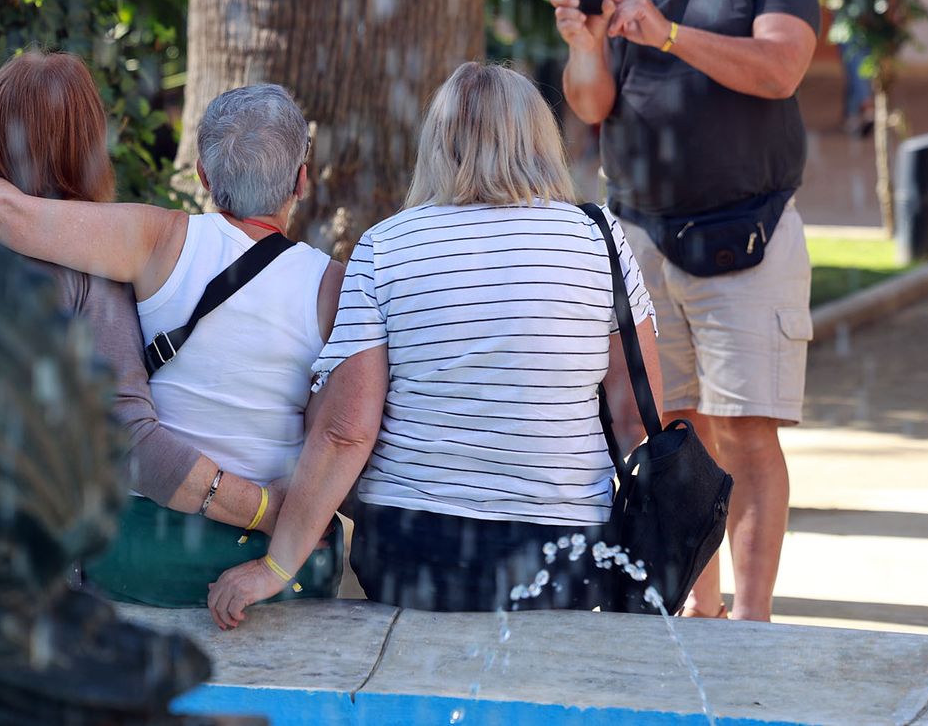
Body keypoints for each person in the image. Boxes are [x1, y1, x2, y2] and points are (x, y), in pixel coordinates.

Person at [205, 62, 662, 627]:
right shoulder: (599, 239)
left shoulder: (385, 246)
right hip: (562, 555)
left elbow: (346, 432)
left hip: (413, 554)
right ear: (542, 141)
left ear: (438, 145)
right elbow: (637, 421)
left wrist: (277, 566)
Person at [547, 0, 820, 621]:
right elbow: (590, 108)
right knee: (675, 430)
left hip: (748, 233)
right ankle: (698, 610)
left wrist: (667, 34)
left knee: (746, 431)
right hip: (639, 243)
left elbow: (780, 70)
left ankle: (752, 618)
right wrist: (589, 46)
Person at [0, 76, 346, 606]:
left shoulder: (154, 241)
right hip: (273, 558)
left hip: (117, 552)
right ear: (302, 181)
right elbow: (342, 434)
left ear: (203, 174)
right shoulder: (338, 285)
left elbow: (2, 215)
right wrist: (283, 516)